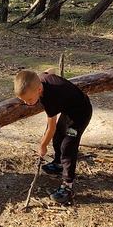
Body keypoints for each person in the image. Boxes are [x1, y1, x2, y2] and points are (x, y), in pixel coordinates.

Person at [13, 69, 93, 204]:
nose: (27, 103)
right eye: (24, 100)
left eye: (30, 99)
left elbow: (51, 127)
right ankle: (59, 163)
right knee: (58, 137)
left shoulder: (50, 99)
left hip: (81, 113)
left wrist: (42, 145)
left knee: (68, 146)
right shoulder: (40, 79)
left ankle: (68, 186)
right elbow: (49, 71)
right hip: (68, 111)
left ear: (39, 89)